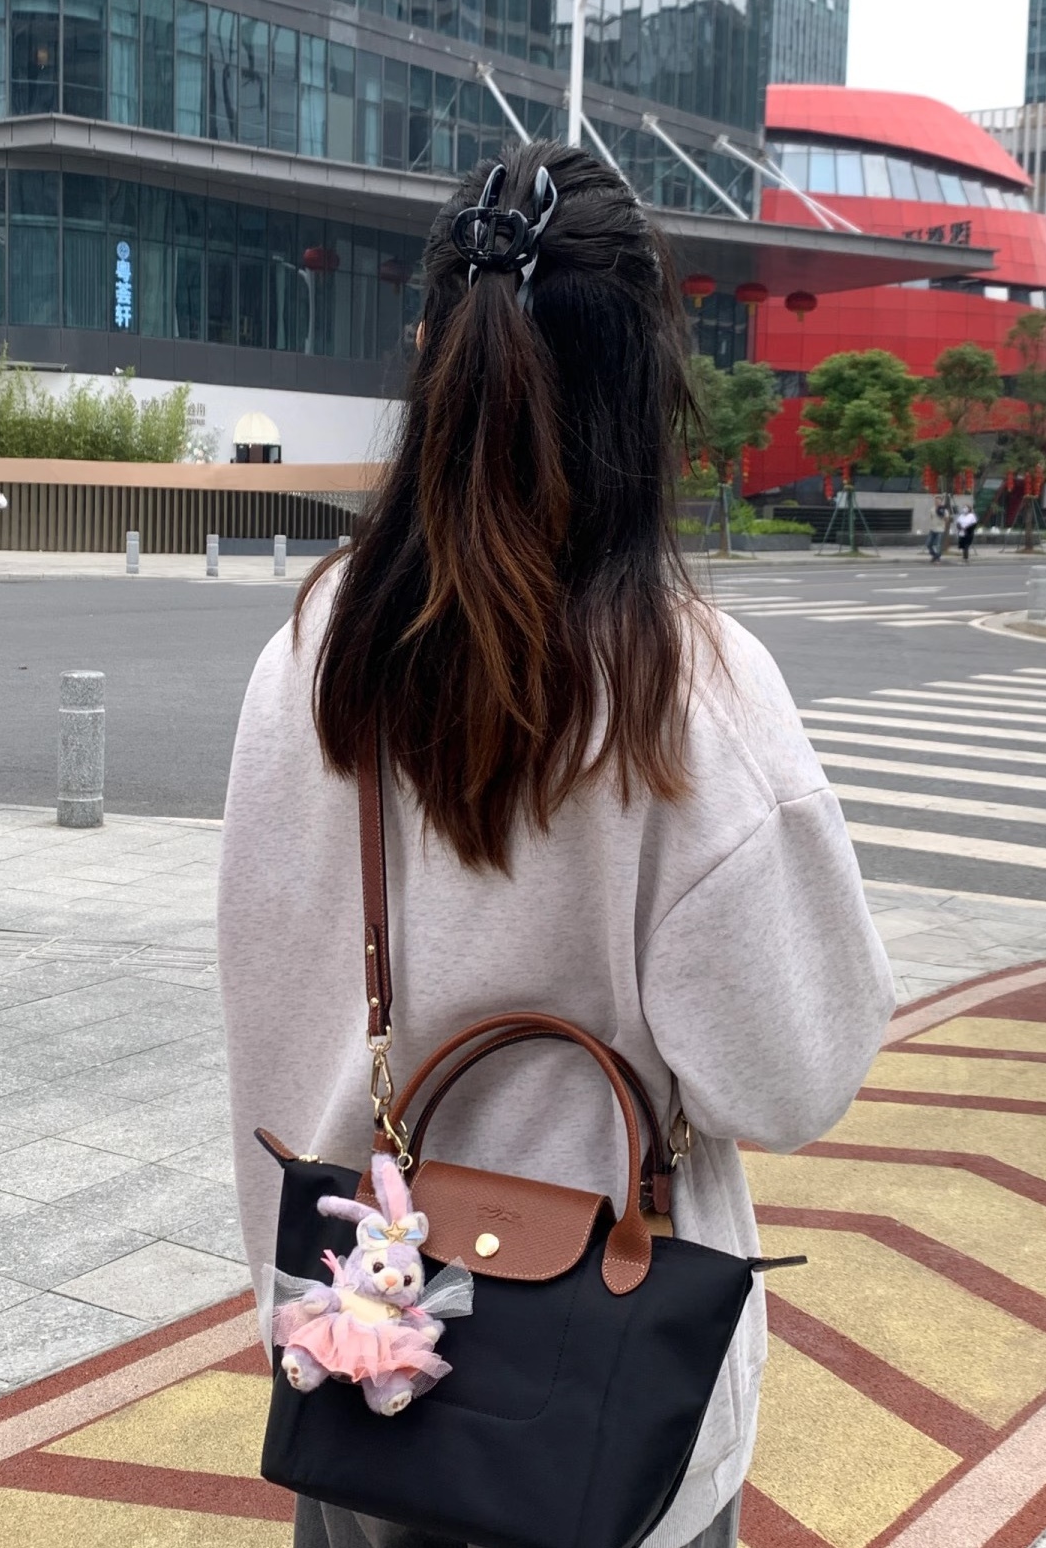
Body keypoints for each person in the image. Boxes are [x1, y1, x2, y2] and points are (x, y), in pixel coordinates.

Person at [218, 143, 895, 1548]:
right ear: (649, 387)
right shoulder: (692, 694)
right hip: (607, 1411)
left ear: (431, 354)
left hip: (367, 1354)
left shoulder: (311, 653)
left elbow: (270, 988)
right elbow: (792, 1073)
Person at [925, 495, 950, 562]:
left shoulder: (944, 510)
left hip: (940, 530)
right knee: (928, 544)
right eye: (936, 501)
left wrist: (942, 516)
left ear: (941, 502)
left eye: (938, 501)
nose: (937, 502)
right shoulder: (932, 509)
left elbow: (947, 520)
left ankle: (937, 557)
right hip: (932, 529)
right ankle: (934, 555)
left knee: (938, 545)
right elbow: (931, 517)